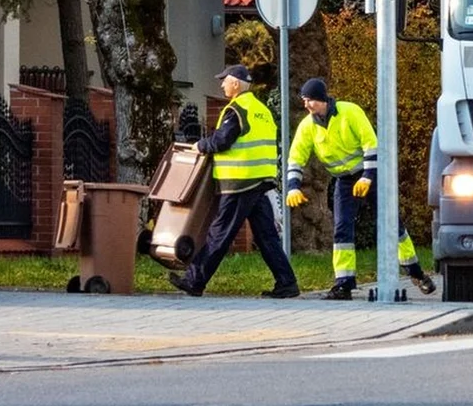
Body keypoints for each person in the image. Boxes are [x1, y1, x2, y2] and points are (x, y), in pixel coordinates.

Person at [285, 77, 437, 300]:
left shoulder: (350, 112)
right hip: (345, 181)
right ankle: (344, 283)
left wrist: (367, 177)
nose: (306, 105)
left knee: (391, 224)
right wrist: (292, 187)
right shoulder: (308, 126)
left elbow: (371, 145)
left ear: (322, 99)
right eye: (304, 100)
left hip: (371, 175)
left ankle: (414, 271)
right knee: (342, 228)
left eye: (310, 100)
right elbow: (296, 158)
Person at [168, 65, 301, 299]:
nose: (222, 85)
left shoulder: (238, 109)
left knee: (220, 232)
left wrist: (201, 145)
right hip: (260, 181)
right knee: (266, 235)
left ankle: (194, 281)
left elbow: (222, 140)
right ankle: (287, 283)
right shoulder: (262, 110)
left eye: (225, 81)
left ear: (236, 84)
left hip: (240, 182)